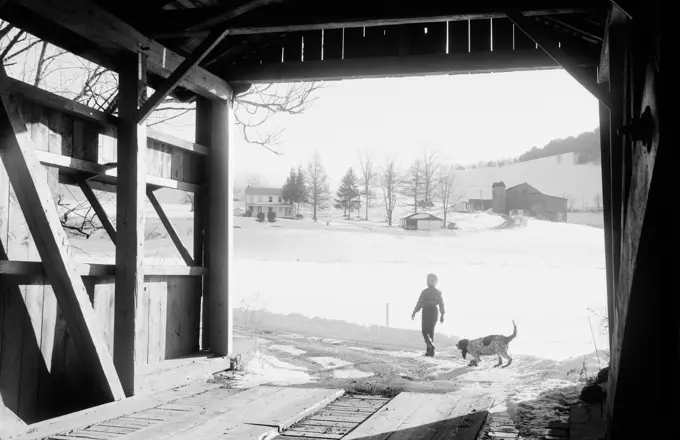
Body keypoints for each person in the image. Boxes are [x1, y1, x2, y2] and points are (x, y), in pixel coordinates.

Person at [411, 273, 445, 357]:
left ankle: (429, 345)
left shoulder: (424, 292)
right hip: (434, 311)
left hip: (426, 310)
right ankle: (430, 352)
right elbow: (441, 304)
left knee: (424, 331)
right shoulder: (438, 292)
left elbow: (420, 303)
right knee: (431, 331)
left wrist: (415, 311)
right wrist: (442, 315)